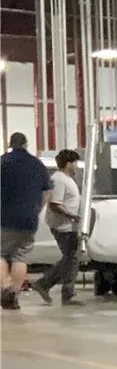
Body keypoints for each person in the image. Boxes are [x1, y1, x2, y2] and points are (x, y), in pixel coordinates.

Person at [1, 132, 53, 310]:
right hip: (29, 219)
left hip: (4, 218)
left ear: (10, 144)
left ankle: (5, 287)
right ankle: (14, 294)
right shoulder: (37, 164)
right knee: (20, 256)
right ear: (26, 144)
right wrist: (37, 209)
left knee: (1, 253)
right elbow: (47, 191)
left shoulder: (3, 162)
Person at [35, 147, 82, 305]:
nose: (76, 166)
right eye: (75, 163)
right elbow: (55, 204)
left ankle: (66, 292)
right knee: (70, 259)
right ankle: (46, 284)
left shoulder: (66, 179)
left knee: (71, 259)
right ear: (68, 163)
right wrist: (73, 216)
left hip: (69, 225)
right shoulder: (59, 180)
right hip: (63, 226)